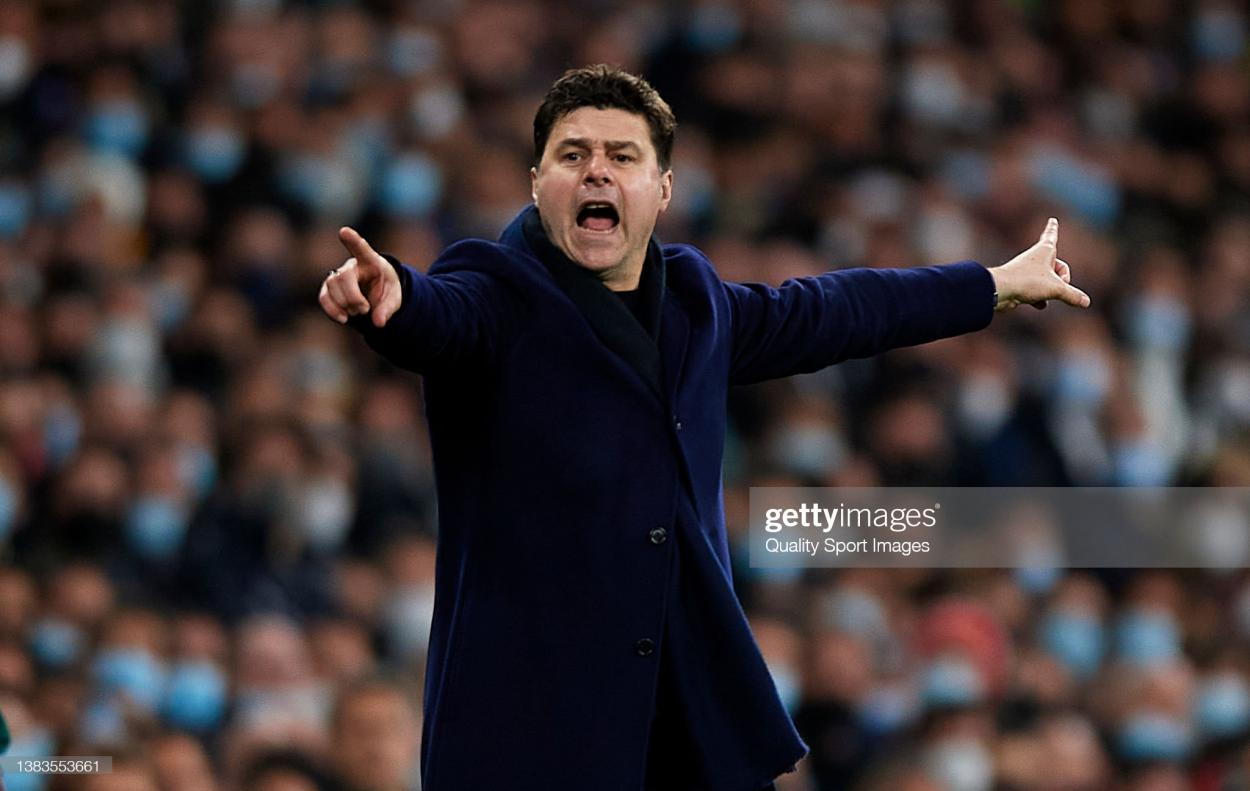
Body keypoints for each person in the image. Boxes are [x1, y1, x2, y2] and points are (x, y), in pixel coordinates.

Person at [318, 64, 1088, 791]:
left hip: (687, 719)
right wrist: (397, 300)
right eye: (571, 153)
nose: (596, 171)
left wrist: (990, 287)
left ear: (662, 188)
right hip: (533, 731)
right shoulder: (491, 291)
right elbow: (439, 317)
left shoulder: (697, 303)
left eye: (623, 155)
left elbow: (837, 310)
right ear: (537, 181)